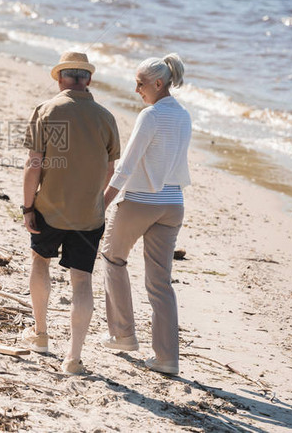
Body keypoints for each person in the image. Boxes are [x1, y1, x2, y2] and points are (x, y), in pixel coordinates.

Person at [20, 51, 120, 374]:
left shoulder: (46, 111)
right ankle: (73, 359)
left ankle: (40, 335)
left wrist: (27, 207)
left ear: (60, 78)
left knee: (40, 262)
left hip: (49, 209)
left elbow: (33, 165)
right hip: (89, 215)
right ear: (87, 79)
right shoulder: (106, 118)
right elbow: (109, 170)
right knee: (82, 281)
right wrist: (97, 201)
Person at [100, 53, 191, 376]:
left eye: (140, 84)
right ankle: (167, 359)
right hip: (173, 204)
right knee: (160, 282)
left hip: (141, 201)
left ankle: (123, 335)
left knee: (113, 258)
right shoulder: (184, 115)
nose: (136, 89)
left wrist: (105, 201)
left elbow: (127, 164)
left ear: (158, 83)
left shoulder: (150, 115)